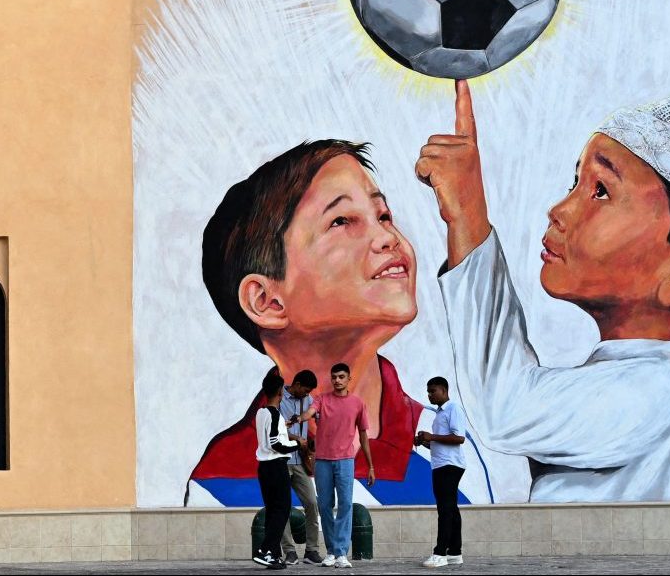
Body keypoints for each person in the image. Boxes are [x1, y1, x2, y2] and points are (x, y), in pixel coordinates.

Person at [416, 81, 670, 502]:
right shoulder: (656, 378)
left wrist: (467, 213)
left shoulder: (665, 391)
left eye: (600, 190)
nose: (560, 209)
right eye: (575, 182)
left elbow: (505, 406)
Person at [187, 141, 491, 509]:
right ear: (267, 301)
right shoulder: (221, 479)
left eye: (383, 215)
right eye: (342, 221)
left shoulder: (442, 446)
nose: (388, 237)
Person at [310, 362, 374, 567]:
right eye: (334, 377)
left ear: (348, 379)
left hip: (346, 461)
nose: (337, 380)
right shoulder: (322, 399)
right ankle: (330, 551)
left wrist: (371, 466)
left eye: (341, 377)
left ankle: (341, 553)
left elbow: (364, 437)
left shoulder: (357, 403)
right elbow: (310, 411)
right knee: (325, 505)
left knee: (345, 505)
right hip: (322, 461)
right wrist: (301, 417)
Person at [413, 376, 467, 568]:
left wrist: (432, 436)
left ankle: (440, 553)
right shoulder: (439, 414)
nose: (430, 395)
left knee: (445, 509)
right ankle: (454, 552)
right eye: (428, 392)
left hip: (450, 465)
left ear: (444, 390)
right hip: (441, 464)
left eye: (433, 391)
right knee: (451, 508)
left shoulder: (453, 409)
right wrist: (425, 442)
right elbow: (441, 444)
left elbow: (459, 438)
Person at [253, 372, 302, 569]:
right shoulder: (274, 414)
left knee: (273, 511)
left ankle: (273, 555)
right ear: (280, 391)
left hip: (264, 468)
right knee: (281, 510)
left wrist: (284, 426)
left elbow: (271, 433)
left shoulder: (262, 413)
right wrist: (297, 444)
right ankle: (265, 550)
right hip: (275, 466)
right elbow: (276, 444)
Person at [279, 370, 327, 565]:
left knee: (312, 504)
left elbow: (316, 421)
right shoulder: (279, 398)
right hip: (281, 459)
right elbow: (275, 428)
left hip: (300, 460)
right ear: (296, 384)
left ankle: (312, 550)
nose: (307, 395)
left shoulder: (308, 401)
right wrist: (297, 439)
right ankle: (289, 551)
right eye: (305, 390)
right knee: (282, 508)